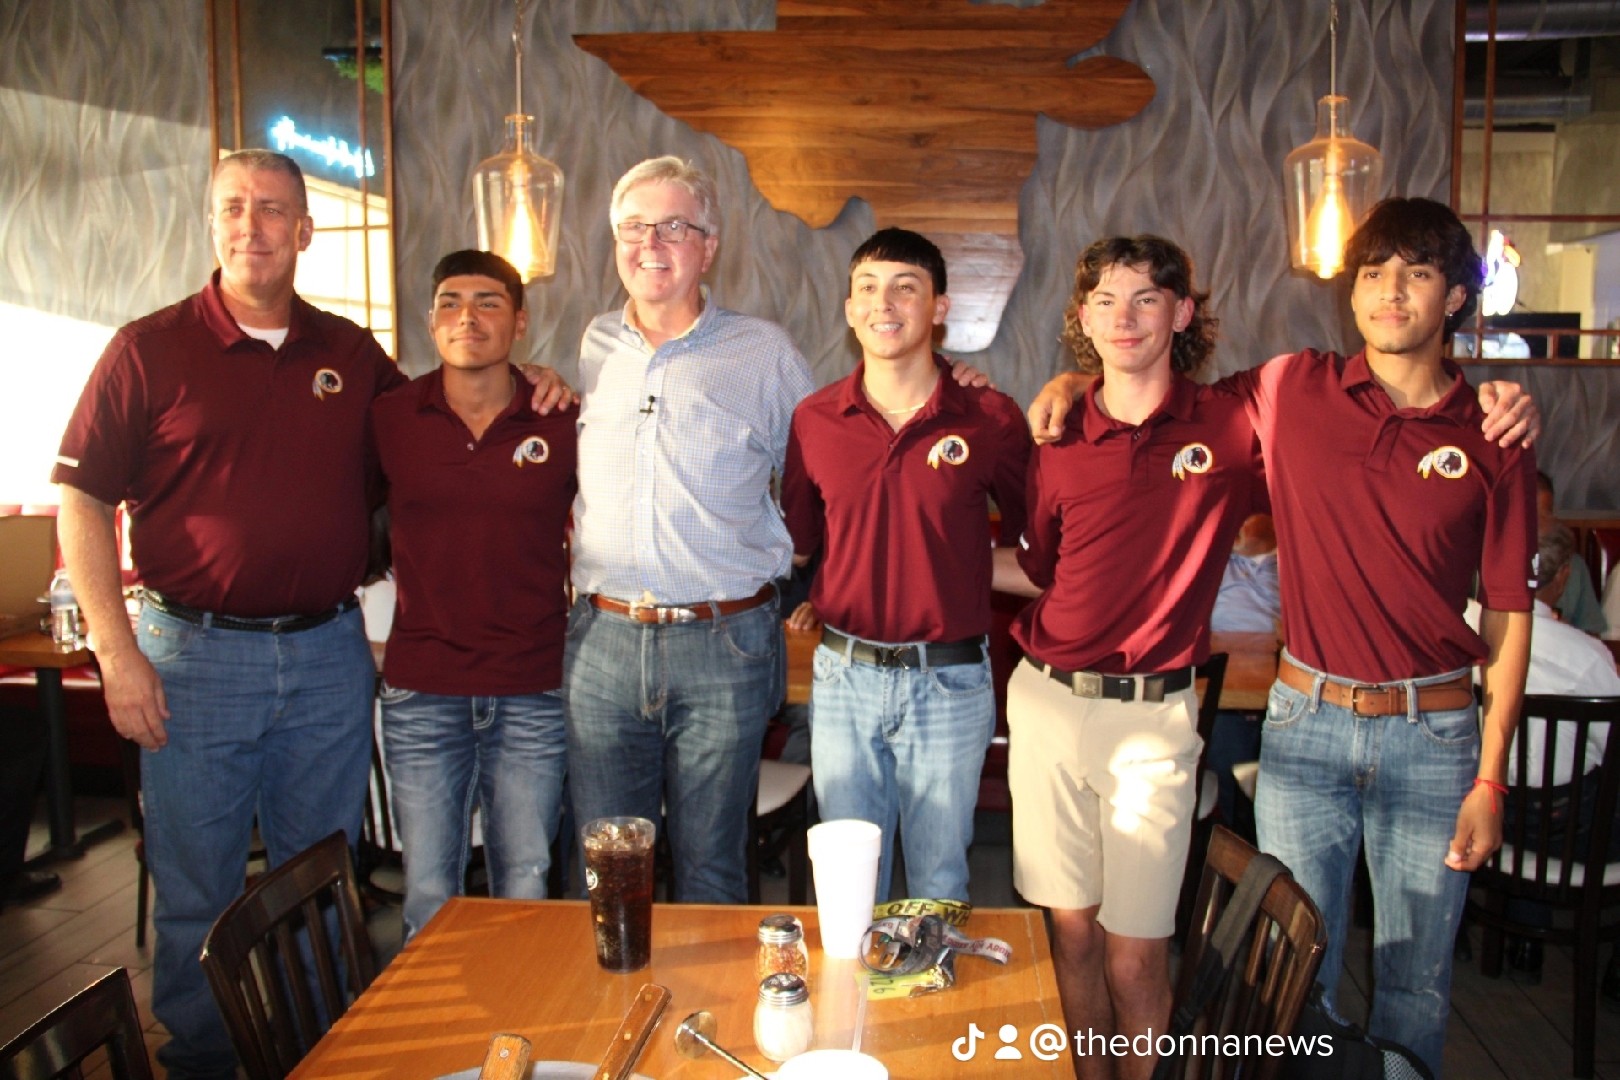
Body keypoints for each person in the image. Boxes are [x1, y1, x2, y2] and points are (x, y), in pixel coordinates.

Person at [1028, 198, 1539, 1077]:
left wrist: (1492, 772)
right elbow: (1151, 390)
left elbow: (1509, 613)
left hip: (1437, 732)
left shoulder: (1493, 432)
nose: (1389, 293)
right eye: (1372, 273)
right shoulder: (1291, 388)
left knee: (1416, 983)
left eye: (1415, 274)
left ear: (1455, 297)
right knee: (1292, 976)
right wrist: (1076, 382)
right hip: (1306, 721)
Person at [51, 149, 407, 1080]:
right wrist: (114, 652)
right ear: (212, 224)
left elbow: (438, 437)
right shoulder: (148, 347)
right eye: (234, 208)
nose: (253, 225)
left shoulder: (351, 354)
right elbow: (82, 503)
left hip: (328, 654)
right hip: (189, 659)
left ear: (305, 230)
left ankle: (315, 1053)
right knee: (197, 888)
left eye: (274, 209)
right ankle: (205, 1061)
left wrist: (528, 376)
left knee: (319, 882)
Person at [992, 235, 1264, 1080]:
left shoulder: (1232, 424)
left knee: (1136, 955)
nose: (1126, 316)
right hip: (1045, 702)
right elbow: (1039, 570)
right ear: (1081, 320)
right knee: (1070, 932)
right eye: (1106, 300)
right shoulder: (1060, 434)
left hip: (1153, 718)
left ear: (1182, 313)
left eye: (1147, 298)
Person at [561, 156, 816, 904]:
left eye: (675, 227)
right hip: (603, 642)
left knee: (711, 865)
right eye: (635, 228)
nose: (652, 243)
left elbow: (828, 467)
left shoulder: (764, 354)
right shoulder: (593, 347)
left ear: (709, 247)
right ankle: (615, 1015)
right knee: (610, 866)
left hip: (725, 643)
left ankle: (714, 1019)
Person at [781, 228, 1030, 903]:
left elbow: (1043, 549)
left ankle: (930, 1006)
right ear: (848, 306)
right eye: (867, 288)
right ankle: (849, 1012)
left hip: (948, 683)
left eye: (905, 288)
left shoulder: (990, 417)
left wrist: (956, 566)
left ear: (939, 308)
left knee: (939, 881)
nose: (882, 304)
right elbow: (797, 548)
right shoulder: (814, 419)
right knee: (846, 884)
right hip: (842, 680)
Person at [371, 250, 576, 942]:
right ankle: (432, 1041)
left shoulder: (562, 417)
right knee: (429, 886)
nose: (469, 316)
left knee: (526, 877)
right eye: (451, 302)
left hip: (534, 686)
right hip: (424, 689)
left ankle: (520, 1034)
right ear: (431, 321)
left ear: (520, 322)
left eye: (489, 302)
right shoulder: (391, 418)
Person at [1464, 521, 1620, 983]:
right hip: (1561, 830)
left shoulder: (1463, 629)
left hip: (1476, 809)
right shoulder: (1589, 658)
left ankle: (1526, 928)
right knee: (1575, 787)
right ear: (1564, 576)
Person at [1536, 471, 1608, 636]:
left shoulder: (1573, 566)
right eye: (1525, 516)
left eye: (1544, 516)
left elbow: (1593, 634)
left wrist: (1567, 631)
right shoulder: (1477, 562)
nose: (1535, 525)